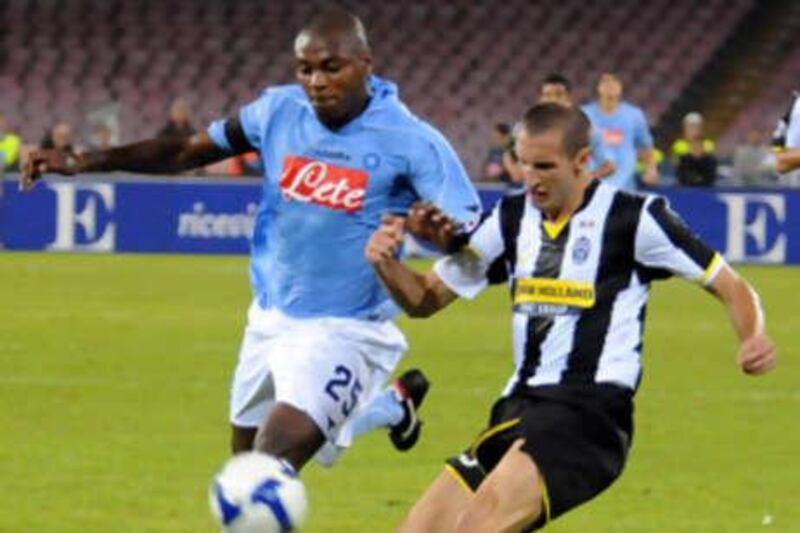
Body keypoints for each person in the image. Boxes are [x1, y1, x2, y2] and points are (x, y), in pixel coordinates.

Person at [20, 8, 481, 475]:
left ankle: (377, 410)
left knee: (262, 472)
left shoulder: (411, 140)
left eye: (331, 67)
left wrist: (445, 238)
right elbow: (185, 150)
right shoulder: (278, 111)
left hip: (347, 329)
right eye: (305, 69)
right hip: (269, 317)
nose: (316, 81)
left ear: (366, 63)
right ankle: (392, 408)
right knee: (244, 465)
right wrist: (82, 161)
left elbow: (469, 232)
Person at [366, 103, 776, 532]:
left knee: (478, 526)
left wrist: (752, 336)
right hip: (519, 407)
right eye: (524, 164)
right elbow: (426, 299)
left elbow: (729, 283)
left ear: (583, 161)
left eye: (545, 166)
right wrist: (385, 263)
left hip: (588, 414)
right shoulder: (509, 219)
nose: (532, 178)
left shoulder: (634, 218)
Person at [582, 72, 659, 190]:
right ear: (598, 87)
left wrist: (651, 169)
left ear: (621, 87)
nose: (611, 85)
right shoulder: (585, 114)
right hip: (591, 183)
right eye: (606, 81)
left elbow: (645, 145)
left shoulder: (634, 115)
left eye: (615, 81)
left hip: (625, 185)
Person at [538, 73, 615, 180]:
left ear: (569, 99)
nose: (553, 100)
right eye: (547, 95)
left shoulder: (585, 130)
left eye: (559, 95)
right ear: (541, 99)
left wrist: (585, 180)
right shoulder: (526, 129)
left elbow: (609, 167)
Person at [671, 112, 717, 187]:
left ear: (701, 128)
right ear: (684, 128)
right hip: (684, 185)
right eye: (690, 126)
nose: (693, 129)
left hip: (706, 185)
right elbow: (678, 167)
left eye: (696, 126)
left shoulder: (709, 144)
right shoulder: (678, 145)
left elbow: (710, 168)